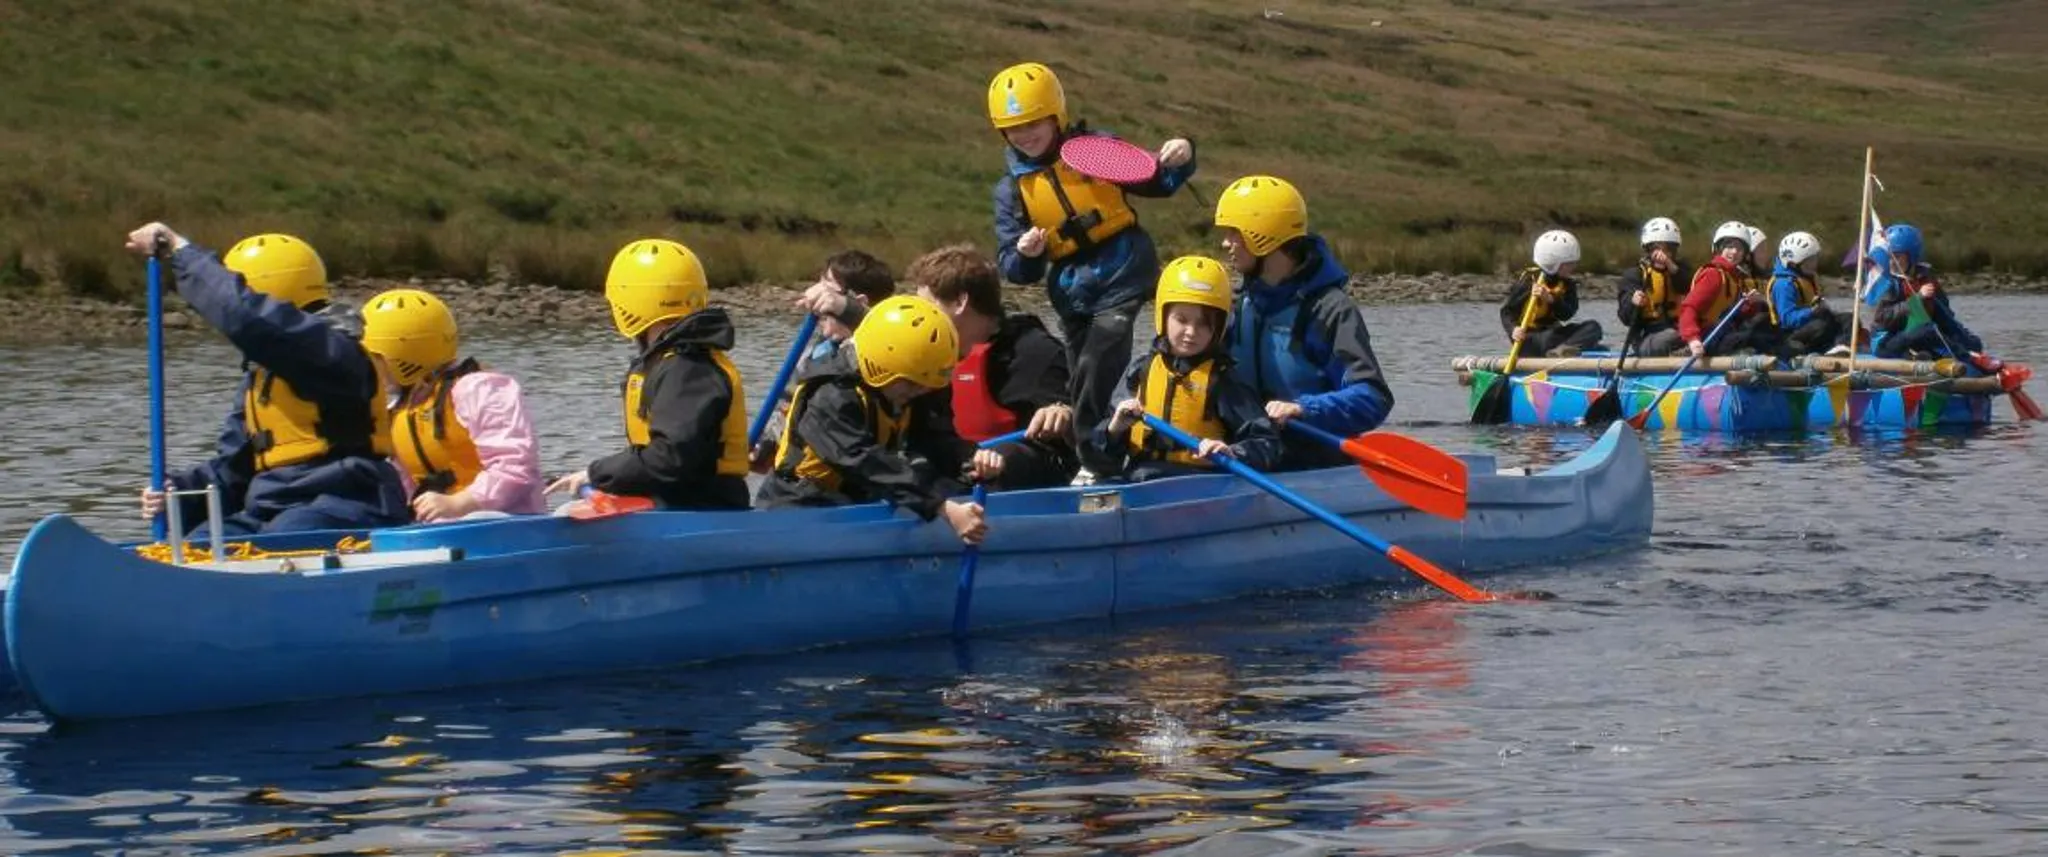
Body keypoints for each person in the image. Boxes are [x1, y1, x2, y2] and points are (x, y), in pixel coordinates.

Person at [127, 224, 409, 536]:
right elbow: (233, 473)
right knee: (201, 542)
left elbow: (242, 315)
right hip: (272, 508)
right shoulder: (261, 378)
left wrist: (179, 251)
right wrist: (178, 494)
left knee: (290, 533)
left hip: (350, 502)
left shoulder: (330, 353)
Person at [987, 61, 1198, 450]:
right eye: (1014, 129)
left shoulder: (1094, 151)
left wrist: (1183, 153)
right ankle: (1093, 447)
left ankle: (1093, 453)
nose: (1025, 135)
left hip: (1124, 270)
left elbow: (1158, 180)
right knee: (1081, 374)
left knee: (1101, 354)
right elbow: (1014, 269)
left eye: (1034, 123)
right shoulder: (1011, 191)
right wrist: (1026, 253)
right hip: (1072, 292)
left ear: (1056, 116)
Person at [758, 296, 997, 544]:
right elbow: (864, 462)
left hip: (860, 502)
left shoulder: (911, 385)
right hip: (800, 505)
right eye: (912, 385)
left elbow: (933, 438)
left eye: (925, 387)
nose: (917, 392)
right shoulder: (830, 395)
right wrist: (941, 507)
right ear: (882, 365)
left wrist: (969, 458)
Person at [546, 239, 751, 511]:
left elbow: (670, 458)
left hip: (699, 509)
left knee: (566, 514)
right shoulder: (676, 362)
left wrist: (597, 474)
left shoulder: (687, 369)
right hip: (677, 502)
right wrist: (605, 478)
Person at [1213, 175, 1394, 471]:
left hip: (1314, 467)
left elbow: (1372, 396)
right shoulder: (1235, 306)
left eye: (1234, 232)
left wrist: (1303, 409)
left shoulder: (1330, 311)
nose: (1226, 242)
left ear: (1264, 235)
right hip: (1247, 459)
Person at [1084, 256, 1283, 482]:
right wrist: (1114, 429)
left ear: (1219, 327)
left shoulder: (1224, 379)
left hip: (1197, 485)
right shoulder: (1140, 370)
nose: (1191, 331)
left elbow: (1267, 445)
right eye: (1181, 319)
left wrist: (1232, 453)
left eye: (1204, 323)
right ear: (1163, 315)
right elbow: (1102, 452)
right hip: (1140, 480)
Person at [359, 288, 547, 521]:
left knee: (473, 518)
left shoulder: (479, 390)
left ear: (400, 355)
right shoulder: (398, 410)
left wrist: (461, 503)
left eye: (373, 359)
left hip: (506, 522)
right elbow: (406, 484)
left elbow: (515, 467)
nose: (367, 368)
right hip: (444, 529)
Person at [907, 244, 1080, 490]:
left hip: (1017, 473)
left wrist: (1062, 412)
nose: (920, 317)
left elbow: (1089, 419)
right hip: (956, 458)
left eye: (928, 307)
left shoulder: (1034, 351)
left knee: (1005, 456)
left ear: (960, 301)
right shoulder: (928, 354)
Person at [750, 250, 898, 471]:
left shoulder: (888, 352)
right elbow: (788, 408)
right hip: (799, 480)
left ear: (857, 302)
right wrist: (765, 447)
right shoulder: (818, 350)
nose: (814, 300)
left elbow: (879, 328)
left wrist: (845, 308)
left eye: (826, 291)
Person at [1869, 224, 1984, 359]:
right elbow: (1883, 317)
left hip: (1918, 334)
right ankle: (1965, 358)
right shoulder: (1889, 283)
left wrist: (1963, 337)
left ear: (1912, 255)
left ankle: (1933, 355)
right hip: (1886, 342)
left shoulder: (1926, 279)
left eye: (1897, 257)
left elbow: (1944, 314)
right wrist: (1917, 299)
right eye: (1890, 256)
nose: (1892, 262)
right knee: (1926, 330)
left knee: (1973, 342)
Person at [1498, 230, 1603, 358]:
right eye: (1568, 264)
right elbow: (1507, 312)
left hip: (1553, 336)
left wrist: (1551, 300)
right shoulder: (1528, 282)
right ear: (1553, 263)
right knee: (1554, 339)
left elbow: (1566, 314)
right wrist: (1513, 329)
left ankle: (1563, 351)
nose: (1573, 267)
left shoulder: (1568, 284)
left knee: (1593, 328)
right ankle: (1562, 352)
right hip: (1530, 340)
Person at [1677, 221, 1771, 357]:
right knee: (1754, 339)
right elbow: (1688, 309)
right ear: (1719, 248)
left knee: (1763, 331)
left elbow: (1735, 313)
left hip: (1723, 333)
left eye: (1739, 249)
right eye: (1729, 246)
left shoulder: (1734, 277)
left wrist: (1752, 303)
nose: (1734, 252)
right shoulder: (1713, 274)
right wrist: (1693, 340)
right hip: (1706, 337)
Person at [1764, 232, 1853, 358]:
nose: (1815, 263)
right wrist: (1812, 311)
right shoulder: (1784, 285)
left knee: (1848, 319)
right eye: (1810, 260)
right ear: (1794, 263)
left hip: (1809, 326)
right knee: (1821, 324)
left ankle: (1840, 349)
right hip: (1788, 335)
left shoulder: (1808, 277)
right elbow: (1787, 319)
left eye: (1815, 258)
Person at [1615, 217, 1691, 356]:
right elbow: (1625, 318)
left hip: (1680, 328)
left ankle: (1685, 350)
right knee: (1674, 335)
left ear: (1674, 251)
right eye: (1656, 248)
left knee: (1699, 330)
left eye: (1667, 249)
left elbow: (1686, 286)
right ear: (1647, 249)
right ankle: (1681, 349)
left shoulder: (1681, 271)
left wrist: (1671, 266)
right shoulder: (1635, 274)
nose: (1662, 254)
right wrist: (1633, 303)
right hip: (1648, 337)